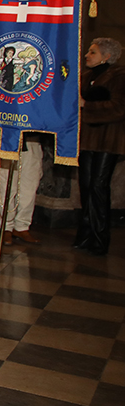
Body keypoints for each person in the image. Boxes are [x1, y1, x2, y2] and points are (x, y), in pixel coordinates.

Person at [74, 37, 125, 256]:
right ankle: (85, 234)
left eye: (92, 52)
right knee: (85, 185)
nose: (87, 55)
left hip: (108, 139)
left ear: (107, 56)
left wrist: (87, 105)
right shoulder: (85, 77)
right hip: (87, 139)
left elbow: (119, 107)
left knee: (98, 186)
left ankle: (99, 237)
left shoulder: (119, 76)